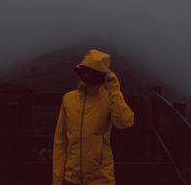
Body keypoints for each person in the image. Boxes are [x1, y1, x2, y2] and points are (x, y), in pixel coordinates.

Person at [52, 49, 135, 185]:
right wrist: (57, 180)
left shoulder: (110, 98)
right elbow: (60, 141)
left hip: (101, 179)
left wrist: (114, 87)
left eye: (94, 71)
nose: (89, 75)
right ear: (81, 71)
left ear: (101, 75)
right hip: (70, 178)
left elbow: (125, 122)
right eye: (86, 70)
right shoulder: (68, 98)